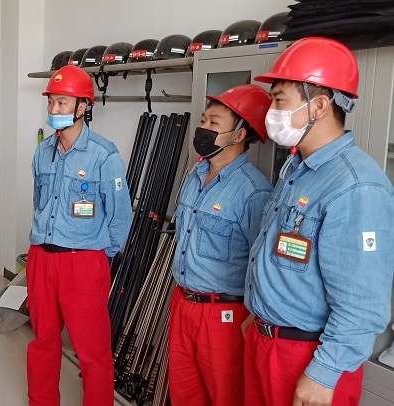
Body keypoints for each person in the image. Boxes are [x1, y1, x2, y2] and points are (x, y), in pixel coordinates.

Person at [243, 37, 394, 406]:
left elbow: (363, 302)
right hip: (267, 342)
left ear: (320, 105)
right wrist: (259, 313)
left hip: (310, 359)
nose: (271, 111)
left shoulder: (356, 185)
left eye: (279, 100)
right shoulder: (297, 170)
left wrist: (324, 373)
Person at [26, 64, 132, 406]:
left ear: (83, 106)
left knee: (92, 350)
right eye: (51, 102)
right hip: (42, 258)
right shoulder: (43, 151)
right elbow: (39, 202)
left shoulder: (104, 154)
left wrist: (97, 256)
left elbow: (120, 217)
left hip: (83, 263)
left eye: (61, 103)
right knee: (42, 341)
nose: (53, 109)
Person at [168, 84, 273, 406]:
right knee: (184, 394)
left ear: (238, 135)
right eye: (203, 121)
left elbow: (262, 263)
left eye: (214, 123)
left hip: (224, 314)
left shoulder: (254, 192)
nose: (203, 128)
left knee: (225, 396)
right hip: (182, 303)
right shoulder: (194, 175)